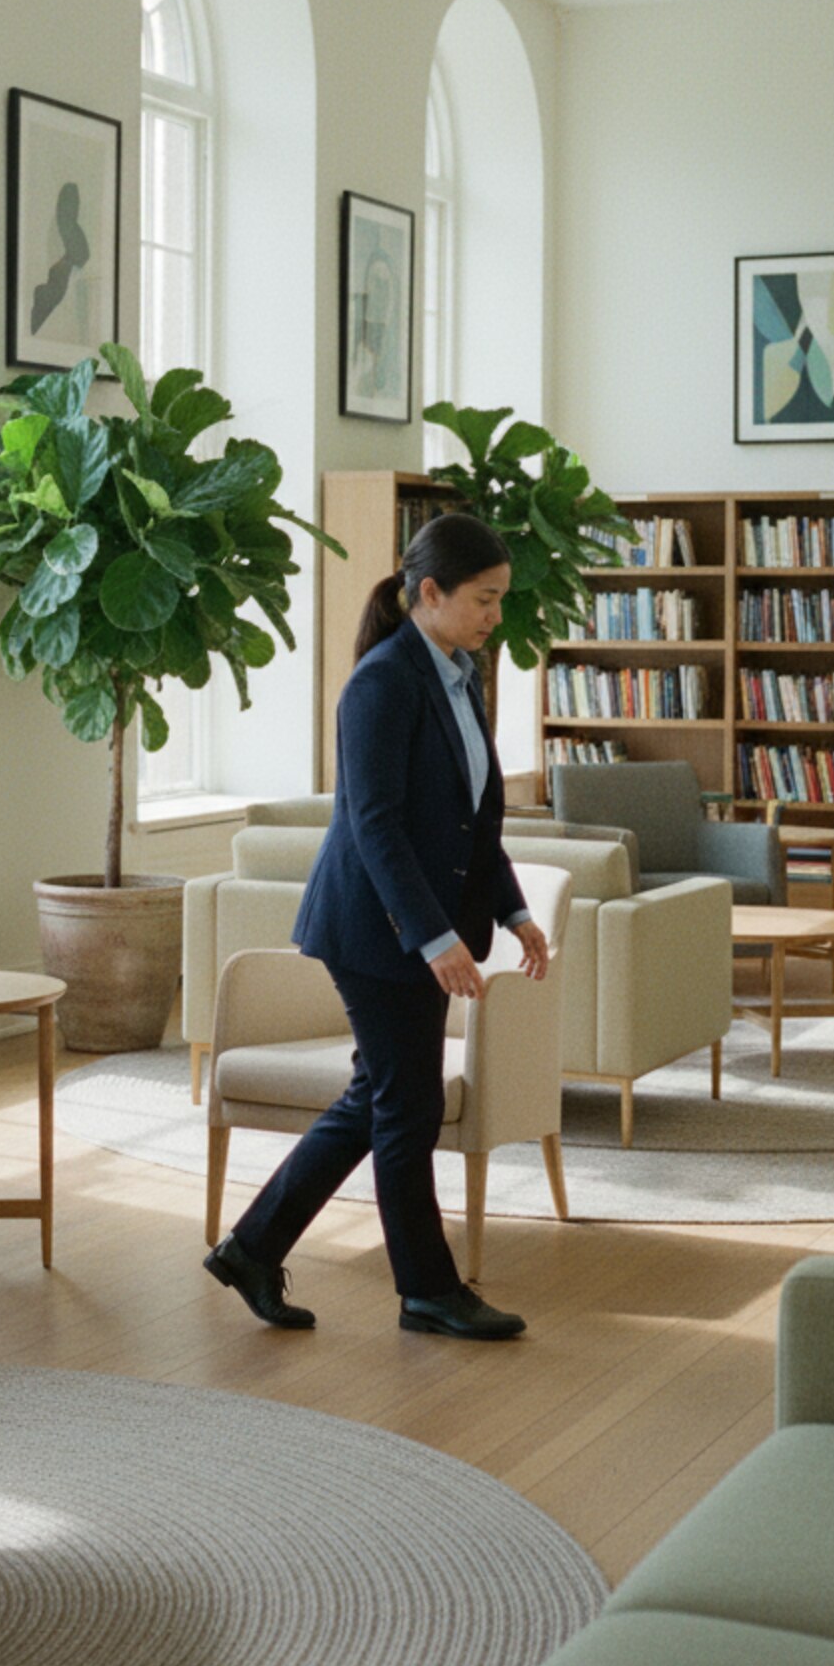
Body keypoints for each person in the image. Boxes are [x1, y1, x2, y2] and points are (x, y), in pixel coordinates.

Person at [203, 513, 550, 1341]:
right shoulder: (381, 683)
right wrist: (435, 939)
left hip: (419, 928)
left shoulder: (463, 675)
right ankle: (427, 1290)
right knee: (409, 1107)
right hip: (374, 931)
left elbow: (474, 822)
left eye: (500, 600)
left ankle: (252, 1246)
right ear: (429, 593)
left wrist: (515, 911)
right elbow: (376, 826)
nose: (495, 617)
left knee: (382, 1097)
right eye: (483, 600)